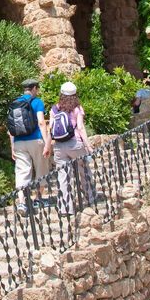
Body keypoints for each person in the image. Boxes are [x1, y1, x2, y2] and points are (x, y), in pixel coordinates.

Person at [50, 81, 95, 215]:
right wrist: (88, 146)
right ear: (75, 95)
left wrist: (48, 146)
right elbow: (80, 128)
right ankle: (90, 199)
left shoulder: (54, 109)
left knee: (63, 176)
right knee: (84, 169)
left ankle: (65, 208)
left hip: (59, 146)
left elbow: (51, 129)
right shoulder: (77, 108)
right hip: (75, 144)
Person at [7, 78, 49, 212]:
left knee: (21, 172)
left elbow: (11, 128)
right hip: (35, 140)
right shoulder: (37, 102)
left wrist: (12, 146)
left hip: (19, 142)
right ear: (34, 88)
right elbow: (42, 123)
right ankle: (37, 199)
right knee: (41, 168)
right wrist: (47, 142)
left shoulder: (15, 103)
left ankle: (21, 202)